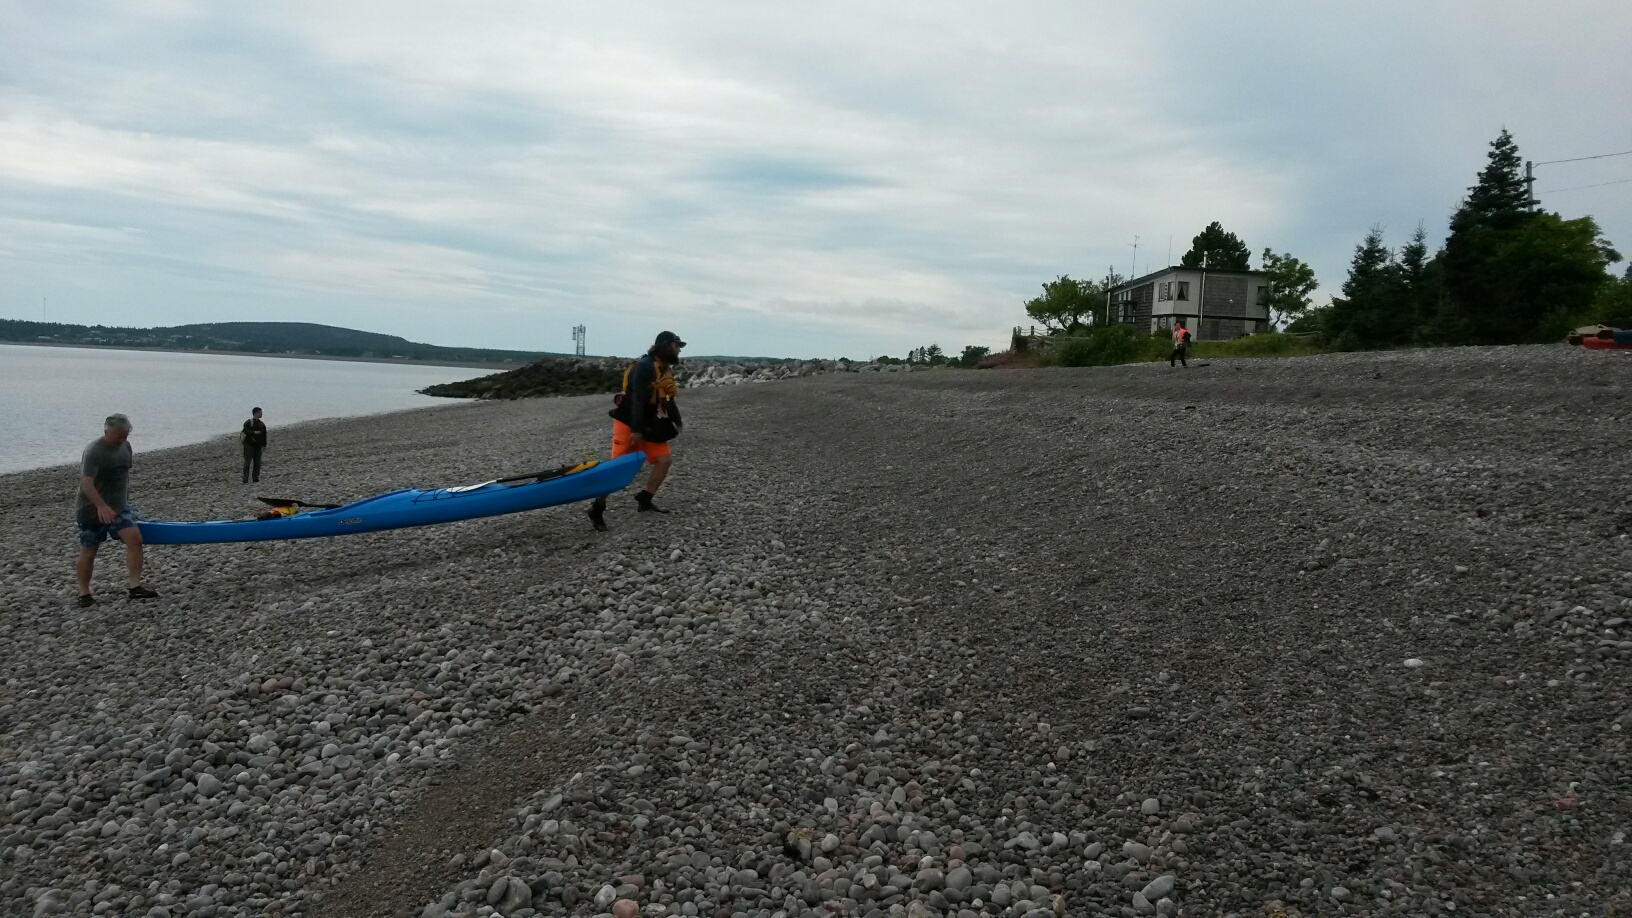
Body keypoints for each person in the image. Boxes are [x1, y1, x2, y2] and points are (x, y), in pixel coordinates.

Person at [588, 331, 685, 530]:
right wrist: (637, 430)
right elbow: (638, 400)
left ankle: (645, 499)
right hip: (629, 423)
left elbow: (668, 399)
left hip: (647, 422)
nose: (679, 350)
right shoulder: (644, 366)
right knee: (617, 470)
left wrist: (678, 421)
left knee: (664, 460)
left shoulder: (664, 370)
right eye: (676, 346)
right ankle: (597, 508)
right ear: (665, 345)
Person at [75, 413, 158, 607]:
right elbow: (86, 483)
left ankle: (135, 587)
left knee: (135, 540)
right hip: (91, 510)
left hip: (119, 508)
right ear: (106, 432)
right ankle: (84, 593)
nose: (122, 440)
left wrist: (125, 502)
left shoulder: (126, 447)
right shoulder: (94, 451)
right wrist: (101, 506)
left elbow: (123, 476)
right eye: (118, 436)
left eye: (125, 436)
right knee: (89, 550)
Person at [241, 406, 268, 484]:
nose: (261, 414)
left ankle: (255, 478)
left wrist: (264, 445)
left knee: (257, 463)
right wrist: (254, 432)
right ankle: (245, 478)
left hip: (258, 446)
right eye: (260, 413)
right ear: (255, 413)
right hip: (249, 445)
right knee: (247, 462)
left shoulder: (262, 424)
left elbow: (264, 435)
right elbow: (245, 431)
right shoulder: (248, 422)